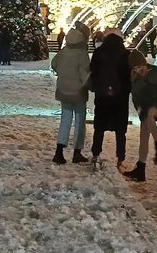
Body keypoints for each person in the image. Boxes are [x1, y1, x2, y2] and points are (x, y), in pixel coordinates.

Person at [123, 50, 157, 182]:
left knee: (149, 114)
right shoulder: (133, 78)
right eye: (135, 68)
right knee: (143, 135)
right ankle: (141, 167)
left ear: (145, 63)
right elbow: (135, 97)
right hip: (145, 107)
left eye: (140, 67)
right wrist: (138, 108)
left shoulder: (156, 73)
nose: (139, 70)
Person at [88, 29, 131, 169]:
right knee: (120, 129)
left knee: (99, 127)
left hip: (102, 96)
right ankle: (120, 157)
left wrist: (96, 87)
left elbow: (93, 71)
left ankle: (96, 153)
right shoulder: (125, 54)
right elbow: (128, 76)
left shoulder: (99, 52)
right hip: (120, 97)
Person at [51, 26, 91, 164]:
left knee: (65, 120)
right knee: (79, 122)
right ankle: (77, 152)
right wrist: (88, 84)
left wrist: (62, 74)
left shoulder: (64, 50)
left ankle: (59, 151)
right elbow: (84, 74)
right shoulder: (82, 53)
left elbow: (54, 63)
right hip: (78, 92)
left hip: (63, 90)